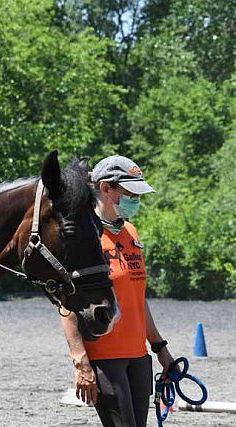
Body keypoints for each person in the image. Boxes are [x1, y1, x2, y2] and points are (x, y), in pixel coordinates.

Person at [60, 155, 176, 426]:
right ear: (105, 189)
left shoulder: (131, 232)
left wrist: (160, 347)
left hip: (138, 356)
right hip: (105, 357)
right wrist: (80, 360)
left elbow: (138, 298)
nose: (135, 200)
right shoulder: (87, 239)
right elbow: (67, 303)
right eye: (129, 193)